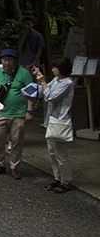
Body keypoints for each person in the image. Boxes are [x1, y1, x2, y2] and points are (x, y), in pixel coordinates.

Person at [0, 48, 35, 179]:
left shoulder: (23, 73)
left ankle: (15, 167)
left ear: (14, 61)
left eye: (9, 60)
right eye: (4, 60)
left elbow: (31, 93)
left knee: (16, 142)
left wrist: (29, 111)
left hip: (18, 113)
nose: (7, 63)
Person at [33, 57, 75, 193]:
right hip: (50, 120)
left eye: (54, 67)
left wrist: (43, 81)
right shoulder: (56, 80)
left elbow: (51, 96)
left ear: (60, 69)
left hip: (60, 121)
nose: (52, 70)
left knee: (60, 154)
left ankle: (65, 181)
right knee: (52, 152)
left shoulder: (67, 83)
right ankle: (57, 178)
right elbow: (44, 91)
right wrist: (40, 80)